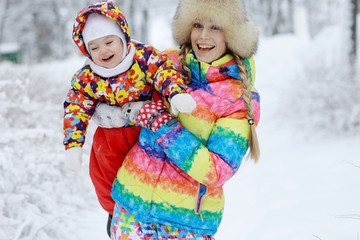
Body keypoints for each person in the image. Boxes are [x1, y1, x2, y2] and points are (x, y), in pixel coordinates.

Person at [91, 0, 261, 238]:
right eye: (197, 25)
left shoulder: (237, 98)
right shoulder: (164, 65)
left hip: (185, 226)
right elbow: (115, 88)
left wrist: (162, 126)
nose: (203, 36)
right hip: (130, 212)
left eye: (215, 27)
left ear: (232, 34)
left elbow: (216, 171)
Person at [62, 1, 197, 236]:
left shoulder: (143, 57)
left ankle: (156, 216)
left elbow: (163, 71)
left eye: (109, 41)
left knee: (149, 175)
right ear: (86, 50)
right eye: (93, 47)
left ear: (123, 37)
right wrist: (73, 145)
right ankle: (114, 213)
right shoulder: (86, 77)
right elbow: (76, 107)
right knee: (105, 176)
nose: (103, 51)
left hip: (144, 132)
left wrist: (175, 93)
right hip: (111, 138)